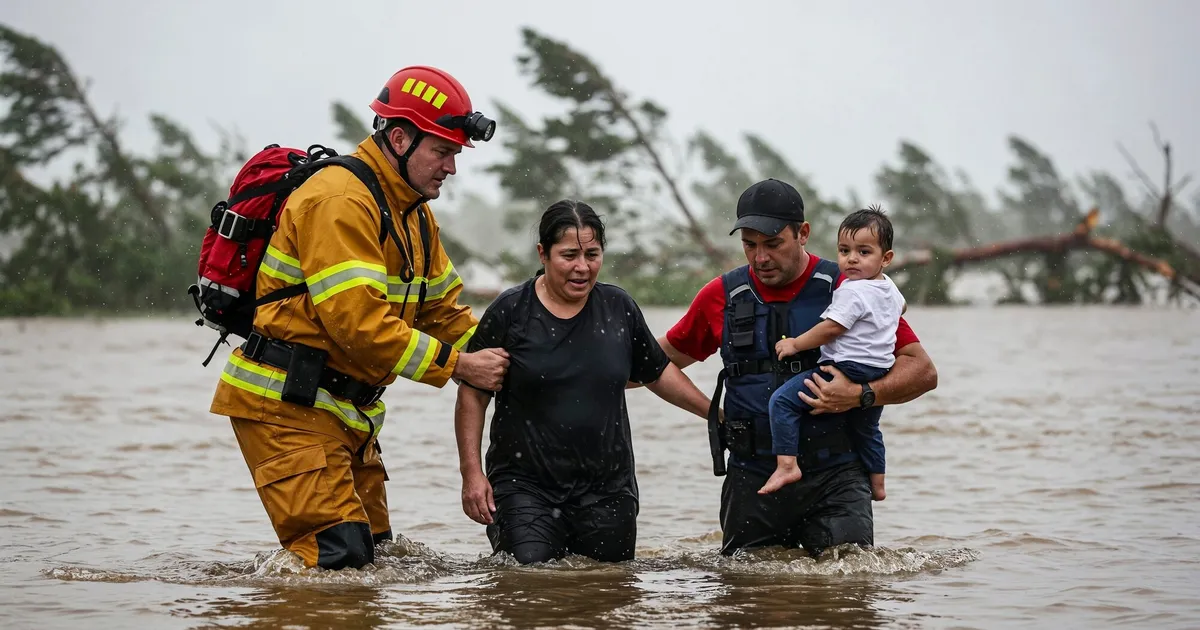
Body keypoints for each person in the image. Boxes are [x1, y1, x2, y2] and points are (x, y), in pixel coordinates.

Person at [209, 65, 511, 570]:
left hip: (348, 415)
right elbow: (360, 327)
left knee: (378, 564)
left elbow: (444, 313)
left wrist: (526, 353)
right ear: (399, 138)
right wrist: (461, 367)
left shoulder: (413, 212)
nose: (451, 169)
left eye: (455, 154)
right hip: (287, 410)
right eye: (442, 151)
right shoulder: (339, 200)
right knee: (339, 564)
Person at [656, 178, 938, 557]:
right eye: (750, 245)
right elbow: (652, 364)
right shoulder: (720, 295)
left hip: (836, 476)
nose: (760, 257)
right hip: (754, 477)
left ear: (803, 233)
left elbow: (922, 371)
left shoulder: (852, 286)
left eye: (773, 244)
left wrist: (861, 395)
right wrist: (713, 412)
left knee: (849, 591)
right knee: (747, 600)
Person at [454, 200, 714, 565]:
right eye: (569, 255)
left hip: (608, 490)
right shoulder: (511, 311)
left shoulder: (618, 307)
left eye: (592, 254)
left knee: (606, 591)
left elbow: (657, 373)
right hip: (525, 486)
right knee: (528, 585)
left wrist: (715, 414)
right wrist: (471, 473)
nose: (582, 267)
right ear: (542, 253)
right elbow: (472, 394)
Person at [760, 206, 906, 499]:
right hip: (879, 369)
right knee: (868, 429)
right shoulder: (888, 287)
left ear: (886, 258)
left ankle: (787, 465)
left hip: (847, 368)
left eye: (863, 252)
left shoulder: (853, 290)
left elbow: (830, 329)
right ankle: (878, 485)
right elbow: (901, 308)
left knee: (782, 403)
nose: (851, 259)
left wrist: (795, 343)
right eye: (844, 250)